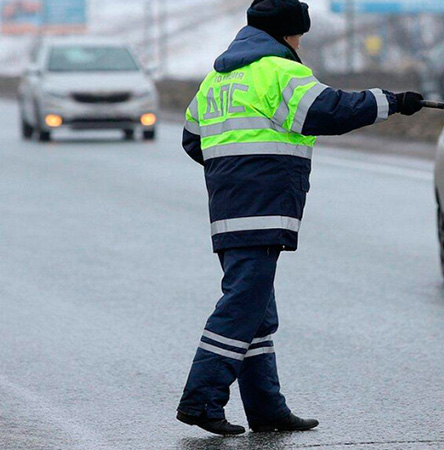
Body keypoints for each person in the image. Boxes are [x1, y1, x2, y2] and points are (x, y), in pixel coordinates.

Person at [176, 0, 424, 436]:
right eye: (299, 35)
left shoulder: (218, 76)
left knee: (256, 310)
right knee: (241, 307)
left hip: (229, 204)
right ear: (288, 33)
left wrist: (231, 170)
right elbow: (329, 110)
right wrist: (391, 102)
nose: (299, 43)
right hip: (264, 203)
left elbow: (193, 139)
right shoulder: (280, 70)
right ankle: (201, 399)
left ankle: (268, 410)